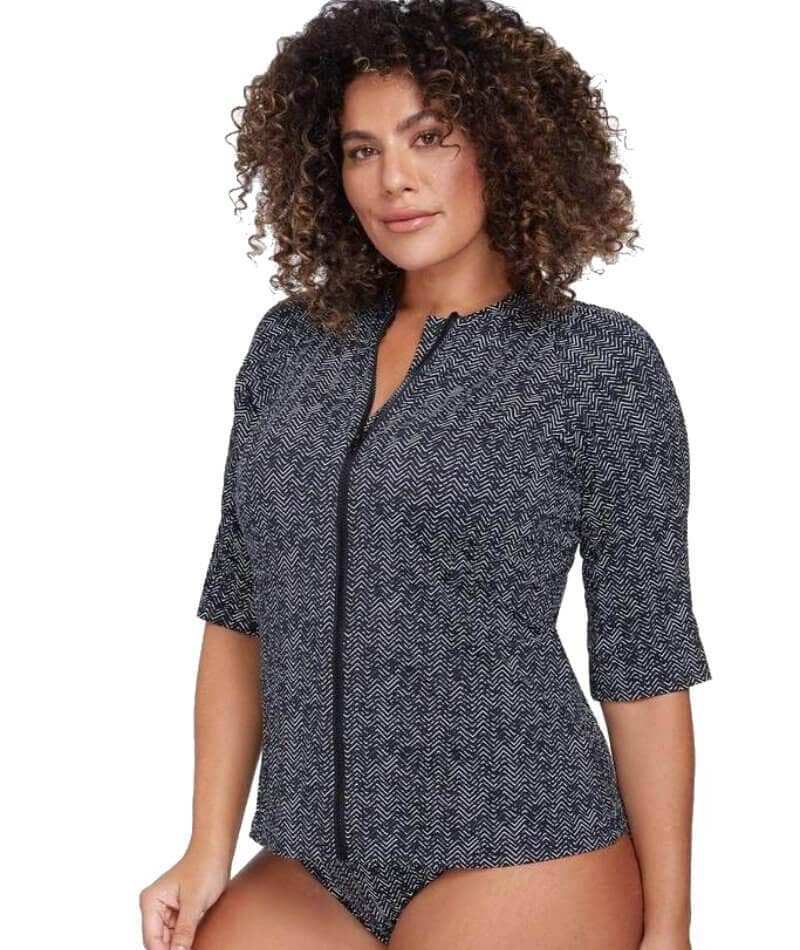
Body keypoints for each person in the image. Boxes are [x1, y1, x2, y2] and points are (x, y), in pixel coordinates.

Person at [139, 1, 712, 947]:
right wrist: (206, 850)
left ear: (508, 146)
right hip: (313, 860)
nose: (392, 180)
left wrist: (672, 925)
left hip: (526, 844)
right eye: (361, 150)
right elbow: (238, 611)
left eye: (429, 138)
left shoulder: (597, 364)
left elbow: (644, 658)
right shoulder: (292, 348)